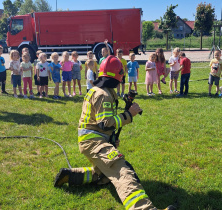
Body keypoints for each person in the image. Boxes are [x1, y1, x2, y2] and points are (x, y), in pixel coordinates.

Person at [53, 55, 176, 210]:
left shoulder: (99, 90)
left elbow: (99, 124)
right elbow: (105, 123)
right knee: (121, 171)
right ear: (118, 75)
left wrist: (110, 139)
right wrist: (129, 115)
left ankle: (71, 176)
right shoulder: (103, 95)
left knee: (105, 174)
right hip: (94, 142)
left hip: (92, 140)